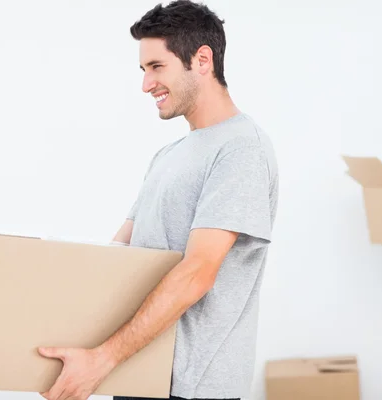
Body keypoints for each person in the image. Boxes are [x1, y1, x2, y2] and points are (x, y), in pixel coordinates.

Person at [37, 1, 279, 400]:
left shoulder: (241, 149)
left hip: (192, 387)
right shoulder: (168, 156)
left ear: (202, 60)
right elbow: (119, 253)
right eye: (144, 70)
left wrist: (104, 358)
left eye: (157, 67)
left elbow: (197, 272)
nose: (146, 85)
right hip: (139, 373)